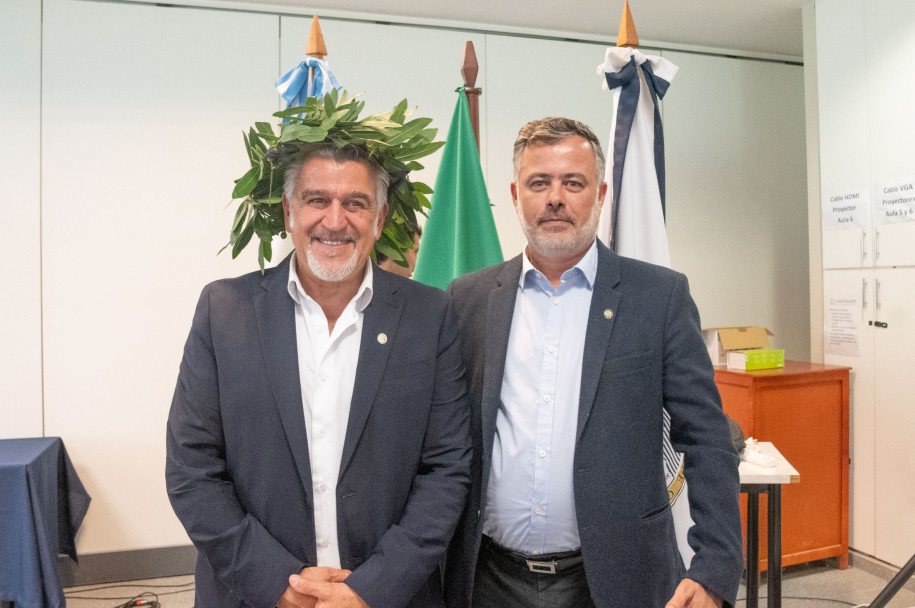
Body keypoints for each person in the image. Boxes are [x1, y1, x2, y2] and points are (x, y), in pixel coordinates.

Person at [443, 117, 743, 608]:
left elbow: (707, 439)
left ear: (600, 194)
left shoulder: (658, 297)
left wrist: (714, 568)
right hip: (488, 579)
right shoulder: (467, 300)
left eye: (573, 183)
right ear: (515, 195)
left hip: (616, 580)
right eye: (539, 183)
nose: (555, 198)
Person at [166, 142, 471, 608]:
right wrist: (280, 587)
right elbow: (193, 470)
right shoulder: (224, 311)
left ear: (381, 219)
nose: (334, 220)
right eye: (316, 200)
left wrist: (371, 590)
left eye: (355, 203)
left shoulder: (430, 316)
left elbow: (446, 470)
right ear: (289, 211)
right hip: (254, 596)